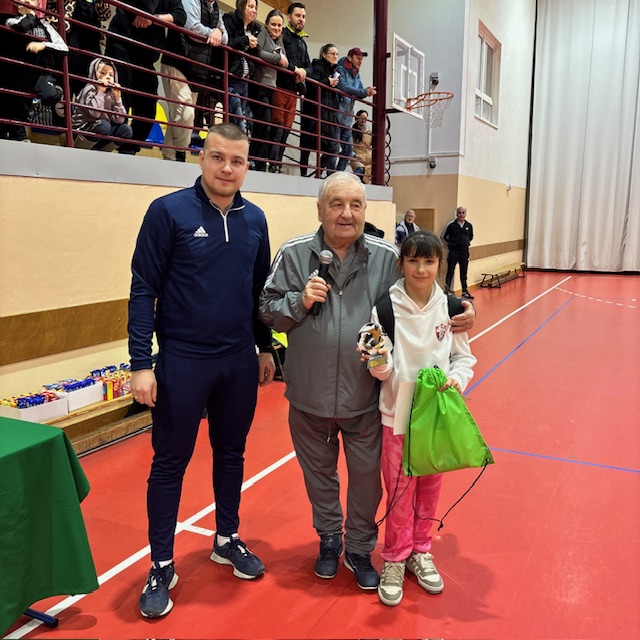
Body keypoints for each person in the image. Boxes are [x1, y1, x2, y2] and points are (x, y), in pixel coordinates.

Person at [258, 172, 475, 591]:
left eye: (356, 205)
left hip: (367, 399)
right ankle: (328, 540)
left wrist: (461, 309)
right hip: (308, 397)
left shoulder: (385, 256)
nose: (346, 213)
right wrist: (299, 301)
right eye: (336, 204)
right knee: (319, 478)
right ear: (319, 210)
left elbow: (423, 292)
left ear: (365, 211)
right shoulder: (293, 253)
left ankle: (359, 548)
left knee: (365, 482)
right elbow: (266, 310)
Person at [128, 123, 276, 619]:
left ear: (247, 165)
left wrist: (263, 348)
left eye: (237, 160)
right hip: (183, 361)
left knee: (231, 453)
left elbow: (259, 292)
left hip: (237, 360)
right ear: (201, 157)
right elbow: (143, 289)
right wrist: (141, 364)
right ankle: (161, 565)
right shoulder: (167, 212)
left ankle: (226, 538)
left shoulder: (255, 219)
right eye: (217, 157)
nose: (226, 168)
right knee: (170, 462)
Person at [362, 230, 476, 607]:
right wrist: (377, 361)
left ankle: (420, 551)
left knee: (429, 489)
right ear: (401, 264)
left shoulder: (452, 308)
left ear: (439, 264)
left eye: (429, 261)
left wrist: (456, 380)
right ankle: (395, 557)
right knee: (399, 491)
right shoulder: (385, 308)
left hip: (436, 416)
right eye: (413, 260)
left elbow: (463, 358)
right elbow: (381, 369)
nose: (421, 269)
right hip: (397, 416)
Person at [106, 0, 186, 155]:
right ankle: (106, 144)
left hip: (147, 54)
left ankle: (129, 149)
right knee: (120, 96)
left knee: (148, 106)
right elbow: (144, 5)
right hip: (122, 43)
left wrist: (154, 18)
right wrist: (146, 14)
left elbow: (180, 16)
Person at [160, 0, 227, 162]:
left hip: (197, 70)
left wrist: (218, 32)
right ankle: (181, 154)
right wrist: (213, 32)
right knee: (186, 114)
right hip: (178, 62)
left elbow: (225, 37)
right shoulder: (191, 0)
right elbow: (192, 28)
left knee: (179, 116)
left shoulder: (215, 7)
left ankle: (169, 157)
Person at [4, 0, 68, 136]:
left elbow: (64, 48)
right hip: (21, 71)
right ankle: (19, 135)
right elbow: (22, 26)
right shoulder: (12, 20)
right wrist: (31, 14)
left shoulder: (46, 25)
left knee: (50, 95)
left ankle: (56, 90)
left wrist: (44, 45)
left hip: (42, 72)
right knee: (15, 101)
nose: (27, 0)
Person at [249, 8, 289, 171]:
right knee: (263, 123)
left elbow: (286, 62)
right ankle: (254, 159)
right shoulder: (263, 34)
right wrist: (277, 58)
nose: (276, 28)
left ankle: (259, 162)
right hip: (259, 84)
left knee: (266, 125)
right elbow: (259, 53)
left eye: (279, 25)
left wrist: (279, 59)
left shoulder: (279, 40)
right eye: (273, 24)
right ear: (266, 24)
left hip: (271, 87)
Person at [270, 2, 309, 172]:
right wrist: (296, 69)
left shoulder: (302, 42)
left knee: (286, 129)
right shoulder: (282, 35)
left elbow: (309, 66)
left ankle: (277, 163)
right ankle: (271, 164)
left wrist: (304, 71)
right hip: (279, 87)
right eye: (297, 15)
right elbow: (281, 58)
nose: (301, 19)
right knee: (277, 127)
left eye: (303, 17)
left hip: (294, 91)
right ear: (289, 17)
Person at [72, 58, 133, 151]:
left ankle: (102, 153)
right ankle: (80, 150)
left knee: (126, 130)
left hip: (102, 131)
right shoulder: (89, 88)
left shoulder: (111, 93)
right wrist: (100, 92)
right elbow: (94, 113)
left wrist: (118, 99)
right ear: (94, 73)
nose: (108, 77)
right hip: (82, 130)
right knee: (104, 126)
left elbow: (120, 120)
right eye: (103, 73)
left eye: (111, 75)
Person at [299, 43, 340, 177]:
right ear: (324, 54)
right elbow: (311, 85)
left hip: (328, 114)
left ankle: (319, 175)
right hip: (314, 113)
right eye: (332, 54)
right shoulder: (317, 67)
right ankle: (304, 174)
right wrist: (328, 82)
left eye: (337, 54)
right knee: (308, 145)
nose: (335, 56)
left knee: (332, 148)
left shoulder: (334, 71)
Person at [223, 0, 261, 133]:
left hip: (245, 81)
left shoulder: (255, 29)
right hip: (231, 78)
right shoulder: (229, 20)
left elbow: (257, 55)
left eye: (255, 7)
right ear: (241, 6)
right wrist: (245, 40)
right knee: (238, 122)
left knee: (236, 123)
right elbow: (226, 43)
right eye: (250, 6)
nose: (254, 10)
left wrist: (254, 48)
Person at [335, 48, 376, 172]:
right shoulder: (339, 69)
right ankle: (328, 174)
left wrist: (366, 91)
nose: (360, 61)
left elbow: (360, 91)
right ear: (349, 57)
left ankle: (339, 174)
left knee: (347, 151)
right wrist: (364, 92)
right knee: (333, 149)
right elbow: (344, 87)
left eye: (361, 59)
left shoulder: (356, 73)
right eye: (358, 58)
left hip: (347, 118)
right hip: (336, 115)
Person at [441, 206, 475, 299]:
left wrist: (464, 243)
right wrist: (450, 245)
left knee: (463, 272)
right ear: (457, 214)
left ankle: (464, 290)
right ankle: (447, 290)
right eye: (459, 213)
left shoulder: (469, 226)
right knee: (450, 271)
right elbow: (443, 237)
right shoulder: (451, 225)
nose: (461, 214)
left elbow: (471, 237)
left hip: (464, 252)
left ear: (465, 214)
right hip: (454, 251)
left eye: (463, 213)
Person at [350, 109, 372, 183]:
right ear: (357, 118)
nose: (363, 120)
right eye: (361, 118)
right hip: (357, 159)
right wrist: (354, 155)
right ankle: (351, 182)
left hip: (368, 160)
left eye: (365, 118)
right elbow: (348, 145)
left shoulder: (369, 132)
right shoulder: (352, 131)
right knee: (360, 170)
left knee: (365, 177)